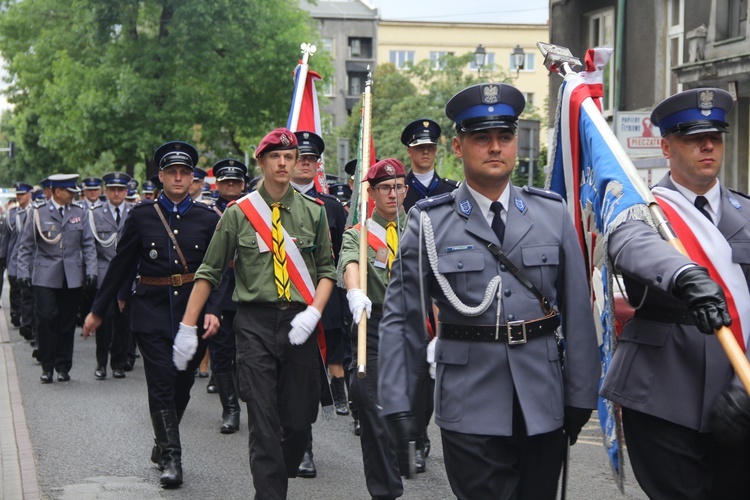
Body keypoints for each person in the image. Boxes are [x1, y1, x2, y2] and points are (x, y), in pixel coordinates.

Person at [378, 83, 601, 499]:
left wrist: (581, 393)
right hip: (470, 399)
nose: (495, 147)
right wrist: (397, 401)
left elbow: (576, 311)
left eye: (505, 137)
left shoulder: (551, 213)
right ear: (459, 147)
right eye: (482, 138)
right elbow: (401, 319)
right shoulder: (429, 222)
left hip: (543, 398)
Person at [600, 88, 750, 499]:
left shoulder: (747, 212)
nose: (707, 145)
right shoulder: (643, 210)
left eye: (715, 136)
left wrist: (744, 390)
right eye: (692, 136)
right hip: (661, 391)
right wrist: (686, 274)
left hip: (740, 388)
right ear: (666, 146)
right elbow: (632, 246)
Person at [179, 127, 336, 499]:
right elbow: (209, 271)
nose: (283, 163)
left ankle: (280, 468)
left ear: (298, 163)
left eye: (290, 157)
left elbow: (327, 271)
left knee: (299, 422)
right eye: (275, 157)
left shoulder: (314, 212)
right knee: (263, 423)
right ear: (262, 162)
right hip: (254, 324)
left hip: (300, 321)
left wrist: (314, 313)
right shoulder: (239, 214)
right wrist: (188, 325)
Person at [83, 141, 220, 488]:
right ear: (160, 177)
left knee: (182, 384)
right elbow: (121, 265)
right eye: (171, 172)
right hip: (152, 312)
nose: (178, 178)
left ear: (192, 178)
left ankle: (162, 442)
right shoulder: (141, 215)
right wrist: (98, 310)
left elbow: (220, 271)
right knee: (160, 383)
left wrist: (214, 310)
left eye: (184, 173)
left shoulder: (207, 218)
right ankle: (173, 458)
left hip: (193, 313)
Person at [340, 158, 409, 499]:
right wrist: (355, 292)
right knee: (372, 407)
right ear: (371, 192)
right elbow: (351, 263)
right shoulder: (360, 233)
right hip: (374, 324)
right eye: (385, 188)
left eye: (398, 187)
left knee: (405, 415)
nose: (393, 194)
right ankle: (386, 492)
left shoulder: (421, 231)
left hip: (413, 329)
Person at [291, 130, 349, 478]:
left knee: (309, 378)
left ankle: (304, 446)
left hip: (321, 304)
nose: (305, 163)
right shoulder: (269, 205)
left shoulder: (330, 208)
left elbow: (342, 259)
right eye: (300, 157)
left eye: (311, 159)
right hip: (282, 304)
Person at [17, 174, 98, 383]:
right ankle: (47, 366)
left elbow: (88, 245)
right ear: (58, 192)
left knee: (66, 323)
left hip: (71, 276)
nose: (73, 195)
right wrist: (23, 273)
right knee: (45, 319)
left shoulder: (80, 212)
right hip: (44, 276)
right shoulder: (38, 212)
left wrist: (91, 272)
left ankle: (63, 366)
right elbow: (26, 247)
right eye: (70, 192)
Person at [203, 158, 248, 434]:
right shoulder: (207, 213)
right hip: (219, 289)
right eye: (225, 181)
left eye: (235, 181)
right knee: (221, 351)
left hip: (247, 287)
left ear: (243, 184)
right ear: (217, 184)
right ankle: (230, 408)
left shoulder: (253, 210)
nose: (230, 186)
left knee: (250, 351)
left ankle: (254, 402)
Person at [84, 172, 133, 380]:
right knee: (102, 321)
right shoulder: (95, 214)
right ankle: (101, 363)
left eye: (120, 189)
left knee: (123, 322)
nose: (116, 193)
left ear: (126, 192)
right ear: (106, 191)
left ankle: (118, 363)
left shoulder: (134, 213)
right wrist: (92, 274)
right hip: (104, 274)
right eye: (112, 189)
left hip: (126, 276)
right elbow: (92, 248)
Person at [400, 118, 458, 212]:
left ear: (436, 150)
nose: (425, 152)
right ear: (409, 152)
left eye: (430, 147)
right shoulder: (399, 190)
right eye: (420, 147)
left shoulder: (452, 190)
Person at [5, 183, 34, 334]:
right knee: (15, 288)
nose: (19, 197)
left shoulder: (35, 212)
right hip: (15, 257)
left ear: (30, 194)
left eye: (22, 194)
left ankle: (26, 319)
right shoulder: (11, 214)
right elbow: (7, 238)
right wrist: (4, 258)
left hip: (31, 259)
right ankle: (16, 314)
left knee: (28, 292)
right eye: (18, 194)